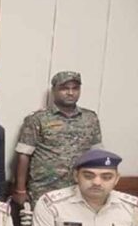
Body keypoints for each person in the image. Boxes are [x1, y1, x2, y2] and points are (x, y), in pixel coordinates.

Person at [13, 71, 102, 206]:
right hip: (45, 189)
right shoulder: (38, 119)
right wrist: (20, 190)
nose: (70, 93)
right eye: (64, 88)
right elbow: (23, 155)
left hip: (79, 189)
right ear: (54, 90)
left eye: (75, 88)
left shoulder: (90, 118)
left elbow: (97, 154)